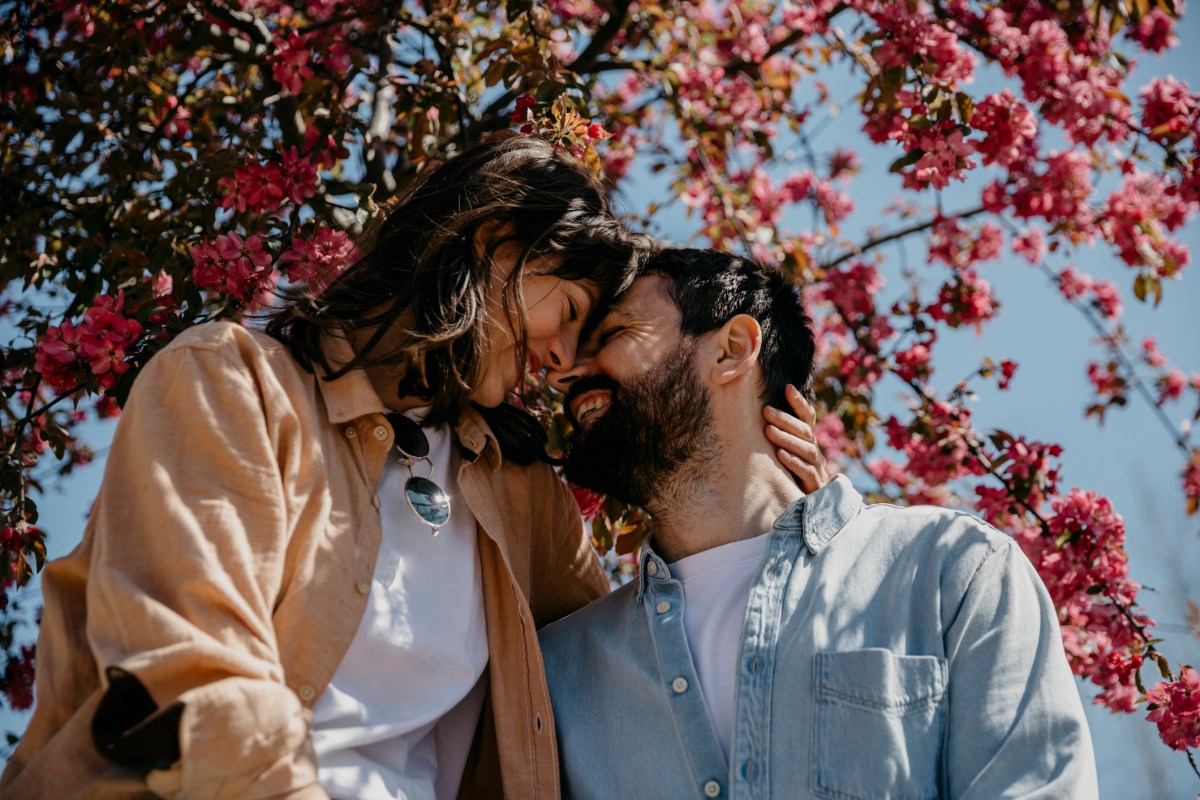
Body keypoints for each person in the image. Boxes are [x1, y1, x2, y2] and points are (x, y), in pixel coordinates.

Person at [2, 137, 826, 799]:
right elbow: (188, 673)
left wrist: (800, 533)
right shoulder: (234, 381)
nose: (564, 359)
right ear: (494, 242)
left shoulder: (517, 490)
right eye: (568, 311)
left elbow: (635, 672)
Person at [539, 247, 1099, 799]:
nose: (567, 371)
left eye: (611, 334)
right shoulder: (558, 669)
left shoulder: (948, 571)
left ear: (732, 350)